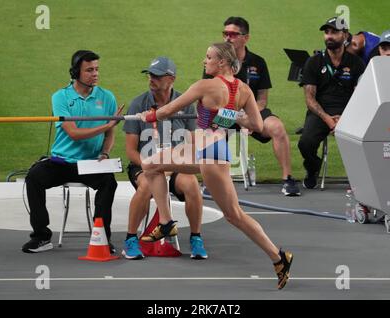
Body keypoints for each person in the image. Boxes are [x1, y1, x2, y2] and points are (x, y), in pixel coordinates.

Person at [139, 42, 293, 290]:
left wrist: (148, 116)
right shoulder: (243, 90)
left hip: (210, 153)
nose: (204, 61)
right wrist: (231, 115)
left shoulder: (205, 85)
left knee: (234, 215)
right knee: (151, 164)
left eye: (208, 57)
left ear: (222, 62)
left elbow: (169, 110)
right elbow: (257, 125)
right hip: (203, 146)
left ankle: (278, 257)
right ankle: (166, 221)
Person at [22, 50, 123, 253]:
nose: (95, 74)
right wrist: (106, 125)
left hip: (90, 164)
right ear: (76, 72)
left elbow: (110, 135)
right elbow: (74, 133)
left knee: (108, 183)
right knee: (33, 178)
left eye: (97, 69)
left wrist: (104, 153)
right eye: (89, 70)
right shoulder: (60, 97)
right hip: (61, 163)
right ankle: (41, 236)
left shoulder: (107, 97)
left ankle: (102, 236)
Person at [122, 56, 207, 260]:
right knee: (146, 186)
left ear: (171, 79)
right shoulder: (137, 104)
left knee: (192, 184)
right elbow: (131, 150)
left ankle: (196, 238)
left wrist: (172, 164)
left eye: (157, 76)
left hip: (176, 165)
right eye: (150, 75)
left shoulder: (186, 105)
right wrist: (151, 166)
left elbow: (193, 144)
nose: (151, 79)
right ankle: (131, 239)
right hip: (145, 165)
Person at [218, 17, 300, 196]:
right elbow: (209, 99)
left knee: (277, 128)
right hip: (226, 112)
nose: (227, 38)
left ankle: (288, 179)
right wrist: (236, 117)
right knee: (212, 130)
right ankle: (213, 181)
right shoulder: (216, 61)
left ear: (245, 38)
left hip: (252, 112)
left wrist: (248, 117)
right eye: (225, 34)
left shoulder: (258, 62)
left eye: (232, 34)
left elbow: (263, 99)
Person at [298, 17, 366, 189]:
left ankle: (362, 178)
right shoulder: (314, 62)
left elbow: (361, 96)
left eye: (334, 32)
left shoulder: (356, 63)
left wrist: (345, 117)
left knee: (366, 140)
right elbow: (309, 98)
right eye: (326, 32)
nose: (329, 36)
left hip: (349, 112)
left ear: (345, 35)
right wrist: (328, 118)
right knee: (305, 143)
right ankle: (313, 167)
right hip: (320, 112)